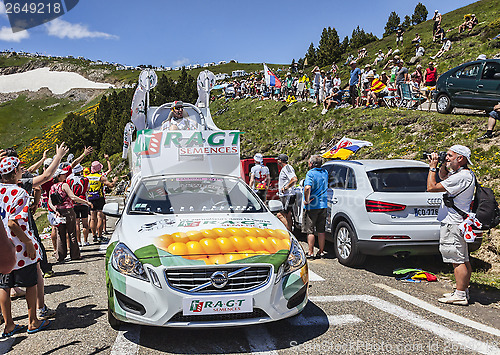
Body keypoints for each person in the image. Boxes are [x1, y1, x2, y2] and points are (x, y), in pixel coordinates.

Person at [0, 156, 50, 336]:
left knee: (4, 285)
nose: (22, 170)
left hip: (2, 246)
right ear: (15, 172)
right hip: (19, 247)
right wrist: (28, 242)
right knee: (30, 283)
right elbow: (14, 222)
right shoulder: (19, 192)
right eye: (20, 168)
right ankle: (33, 321)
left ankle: (9, 325)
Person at [427, 145, 475, 305]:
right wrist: (441, 164)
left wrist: (432, 168)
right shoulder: (463, 174)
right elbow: (444, 177)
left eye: (449, 156)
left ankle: (460, 295)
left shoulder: (462, 177)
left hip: (453, 223)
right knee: (463, 258)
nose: (447, 158)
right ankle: (462, 290)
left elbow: (431, 187)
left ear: (460, 158)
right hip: (457, 222)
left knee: (457, 260)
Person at [48, 165, 92, 262]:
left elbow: (50, 202)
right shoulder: (64, 185)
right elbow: (72, 197)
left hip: (59, 212)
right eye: (63, 174)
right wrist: (86, 202)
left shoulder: (52, 187)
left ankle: (60, 255)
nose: (65, 175)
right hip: (68, 211)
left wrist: (55, 210)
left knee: (60, 233)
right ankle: (75, 254)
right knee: (72, 232)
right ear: (58, 176)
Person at [302, 155, 328, 259]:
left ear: (311, 164)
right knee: (321, 230)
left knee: (310, 230)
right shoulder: (325, 172)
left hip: (313, 206)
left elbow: (307, 187)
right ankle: (321, 252)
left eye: (309, 162)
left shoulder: (310, 173)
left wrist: (307, 200)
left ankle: (310, 252)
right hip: (323, 205)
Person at [87, 160, 118, 243]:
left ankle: (94, 236)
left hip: (90, 198)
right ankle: (100, 235)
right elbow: (110, 185)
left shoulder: (87, 177)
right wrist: (114, 180)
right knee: (100, 217)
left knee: (93, 218)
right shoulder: (100, 177)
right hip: (99, 198)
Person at [67, 164, 90, 246]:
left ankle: (78, 241)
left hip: (73, 203)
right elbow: (87, 189)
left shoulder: (69, 180)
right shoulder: (85, 179)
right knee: (85, 223)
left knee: (76, 223)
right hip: (83, 201)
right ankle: (86, 240)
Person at [275, 154, 297, 231]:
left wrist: (286, 187)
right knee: (288, 215)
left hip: (288, 195)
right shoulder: (284, 168)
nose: (277, 161)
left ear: (280, 160)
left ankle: (288, 231)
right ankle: (290, 230)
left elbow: (294, 179)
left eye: (278, 159)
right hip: (286, 195)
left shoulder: (287, 168)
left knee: (280, 215)